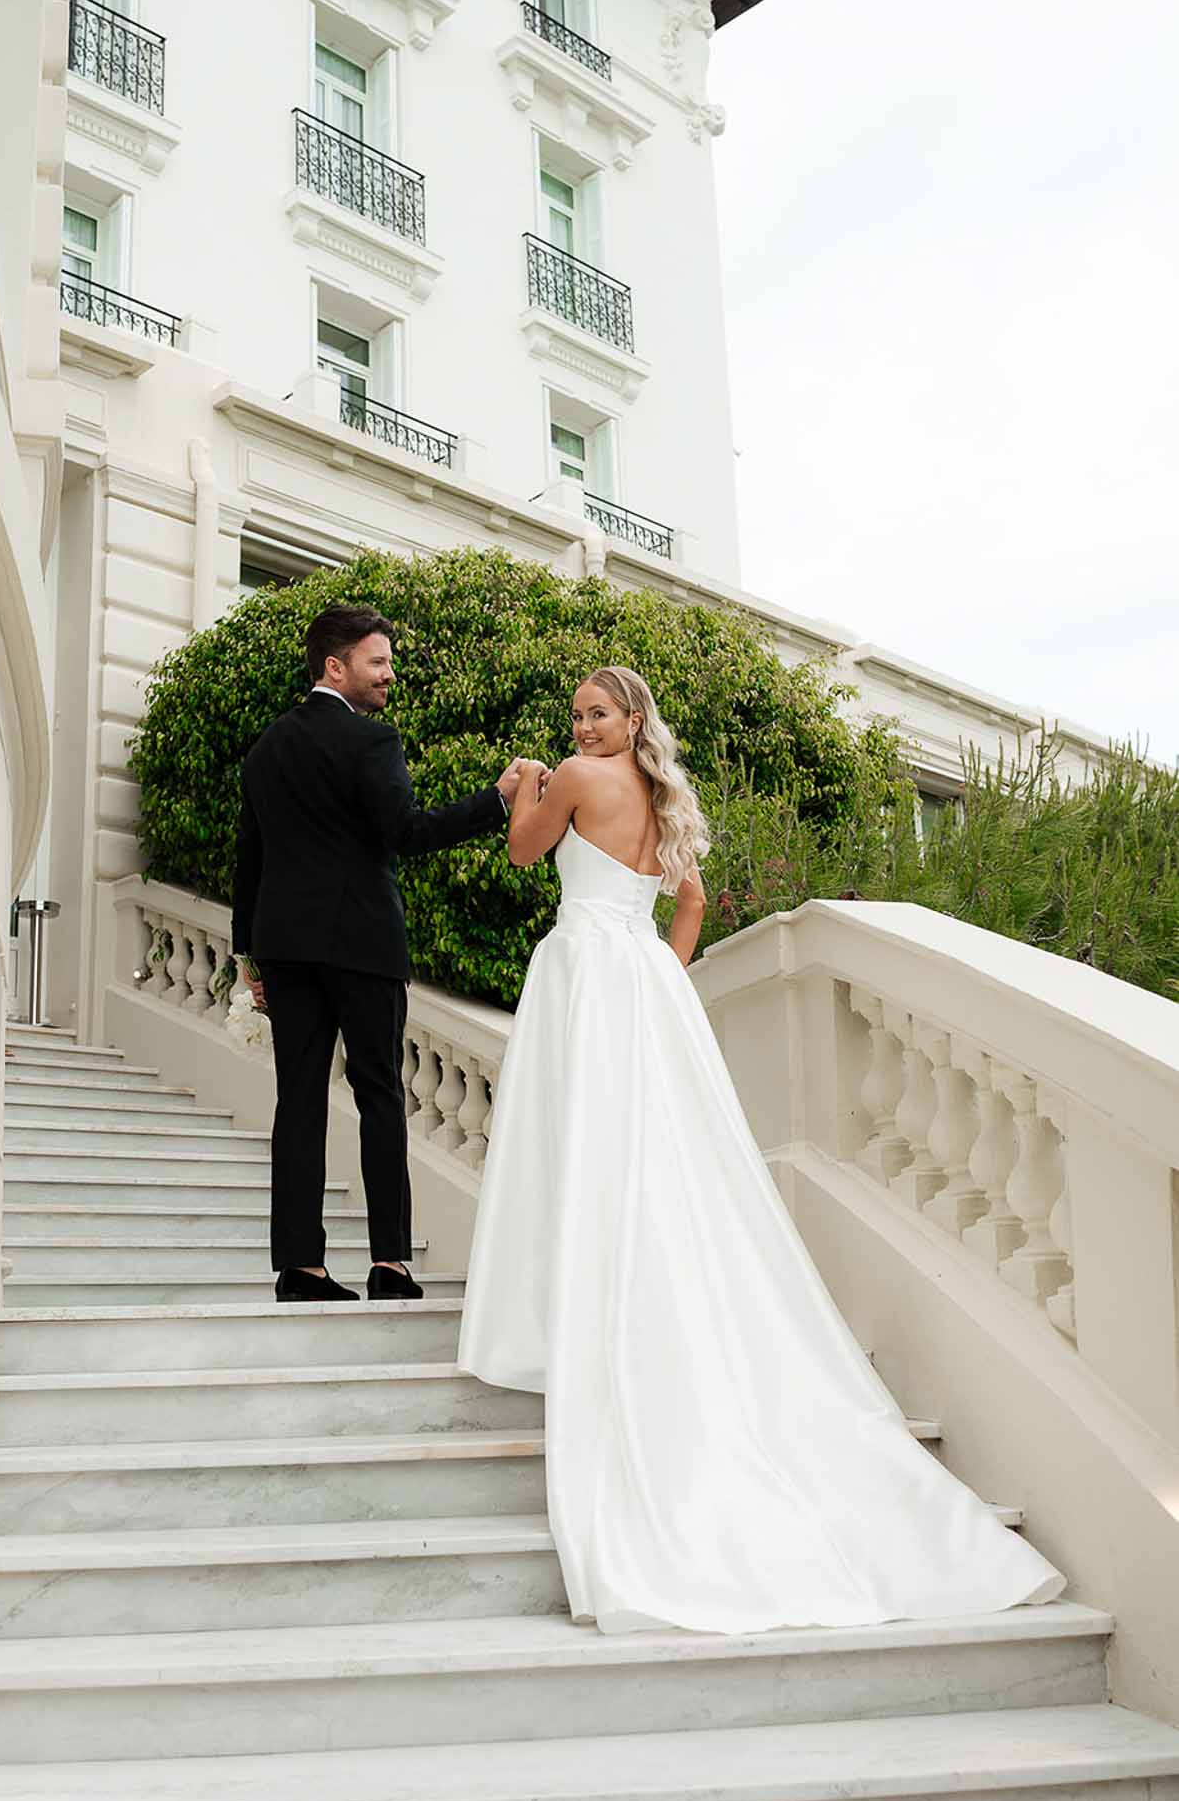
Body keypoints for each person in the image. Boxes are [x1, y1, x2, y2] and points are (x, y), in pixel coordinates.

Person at [458, 664, 1065, 1635]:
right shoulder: (664, 801)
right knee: (657, 1155)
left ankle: (595, 1304)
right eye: (577, 715)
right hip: (643, 983)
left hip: (583, 971)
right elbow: (689, 901)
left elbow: (528, 855)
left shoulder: (570, 776)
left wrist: (519, 785)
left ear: (630, 718)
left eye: (598, 712)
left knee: (593, 1146)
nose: (584, 725)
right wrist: (660, 967)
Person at [232, 604, 531, 1304]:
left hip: (284, 949)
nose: (389, 675)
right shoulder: (372, 742)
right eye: (378, 662)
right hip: (363, 945)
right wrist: (498, 797)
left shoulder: (265, 749)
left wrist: (248, 951)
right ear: (335, 666)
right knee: (381, 1097)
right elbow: (408, 832)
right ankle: (390, 1265)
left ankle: (299, 1270)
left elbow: (250, 858)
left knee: (297, 1103)